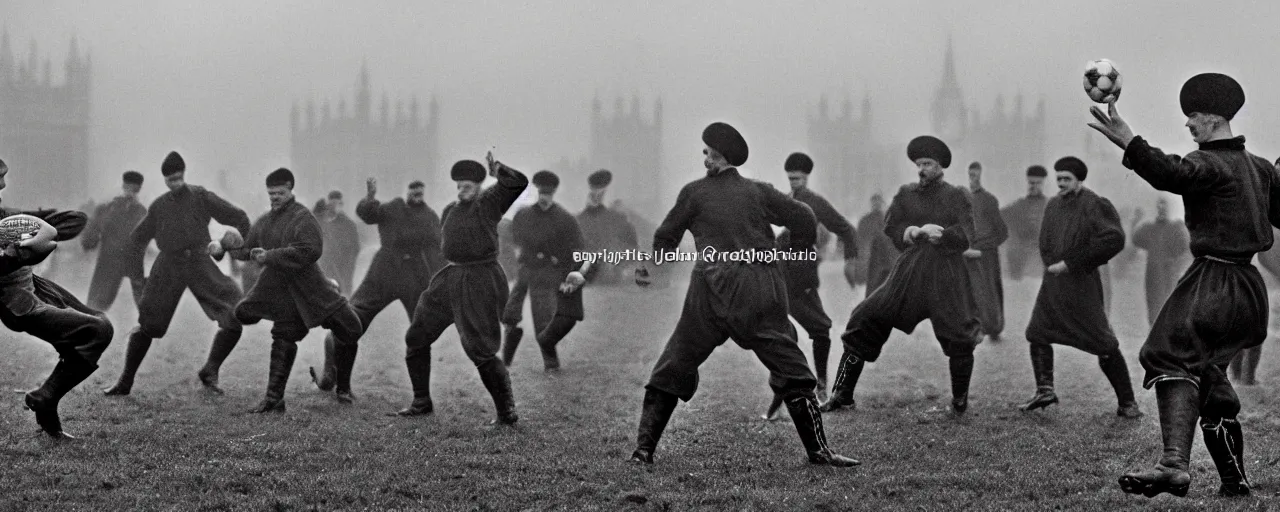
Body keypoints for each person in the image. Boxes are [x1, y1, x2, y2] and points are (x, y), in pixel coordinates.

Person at [628, 122, 857, 467]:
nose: (705, 158)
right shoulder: (758, 191)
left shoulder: (694, 193)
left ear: (717, 159)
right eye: (706, 152)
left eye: (708, 153)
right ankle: (819, 452)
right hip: (757, 288)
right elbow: (803, 216)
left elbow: (665, 236)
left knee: (675, 361)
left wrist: (657, 261)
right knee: (790, 365)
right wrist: (796, 252)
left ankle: (643, 451)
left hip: (710, 288)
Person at [1090, 72, 1274, 498]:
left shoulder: (1208, 163)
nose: (1188, 125)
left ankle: (1173, 466)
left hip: (1215, 281)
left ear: (1211, 119)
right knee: (1208, 377)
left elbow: (1170, 172)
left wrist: (1128, 140)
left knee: (1165, 354)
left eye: (1192, 117)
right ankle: (1234, 481)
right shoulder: (1260, 168)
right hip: (1249, 290)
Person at [821, 135, 979, 417]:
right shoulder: (906, 195)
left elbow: (967, 235)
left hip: (947, 276)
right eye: (919, 164)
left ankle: (959, 400)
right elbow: (891, 227)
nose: (922, 169)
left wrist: (940, 235)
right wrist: (912, 232)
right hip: (909, 273)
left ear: (940, 166)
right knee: (864, 317)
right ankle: (842, 394)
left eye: (927, 163)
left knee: (960, 334)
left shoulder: (957, 196)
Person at [102, 151, 250, 396]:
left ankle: (210, 370)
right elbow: (137, 240)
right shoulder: (159, 206)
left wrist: (230, 245)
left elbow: (239, 218)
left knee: (234, 312)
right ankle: (125, 381)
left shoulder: (201, 196)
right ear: (165, 180)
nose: (176, 184)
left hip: (199, 262)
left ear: (184, 175)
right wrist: (138, 278)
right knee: (148, 324)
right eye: (171, 180)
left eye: (179, 178)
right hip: (168, 266)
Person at [215, 168, 363, 412]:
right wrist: (224, 247)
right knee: (283, 336)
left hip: (312, 287)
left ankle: (343, 388)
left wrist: (271, 255)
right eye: (271, 194)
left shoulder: (302, 217)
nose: (275, 198)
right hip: (283, 292)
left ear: (290, 190)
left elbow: (311, 249)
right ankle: (274, 400)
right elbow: (248, 249)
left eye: (280, 193)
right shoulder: (265, 221)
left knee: (350, 327)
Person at [398, 155, 528, 422]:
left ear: (479, 186)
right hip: (450, 277)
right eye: (458, 185)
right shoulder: (449, 210)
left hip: (479, 278)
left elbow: (518, 183)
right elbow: (442, 247)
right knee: (416, 336)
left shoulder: (488, 203)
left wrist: (499, 170)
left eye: (467, 185)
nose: (461, 190)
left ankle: (506, 413)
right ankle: (421, 401)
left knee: (479, 348)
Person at [0, 158, 113, 438]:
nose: (3, 183)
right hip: (19, 303)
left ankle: (49, 413)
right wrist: (13, 258)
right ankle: (47, 395)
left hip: (36, 289)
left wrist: (45, 225)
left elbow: (71, 220)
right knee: (98, 330)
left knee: (93, 325)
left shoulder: (4, 216)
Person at [1019, 157, 1140, 418]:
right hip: (1053, 283)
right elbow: (1045, 241)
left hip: (1082, 283)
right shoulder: (1053, 205)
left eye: (1067, 179)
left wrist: (1072, 263)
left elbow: (1114, 239)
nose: (1061, 183)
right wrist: (1051, 263)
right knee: (1037, 332)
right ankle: (1045, 390)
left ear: (1079, 180)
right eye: (1059, 178)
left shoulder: (1095, 204)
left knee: (1103, 342)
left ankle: (1128, 403)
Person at [309, 179, 442, 402]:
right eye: (413, 191)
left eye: (420, 192)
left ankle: (422, 398)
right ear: (407, 191)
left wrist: (438, 280)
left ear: (424, 194)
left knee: (420, 332)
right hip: (384, 271)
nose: (416, 196)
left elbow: (437, 250)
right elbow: (367, 213)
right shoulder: (394, 207)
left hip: (414, 275)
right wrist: (369, 197)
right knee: (350, 322)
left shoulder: (430, 217)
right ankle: (340, 386)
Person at [763, 152, 858, 419]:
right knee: (787, 333)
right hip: (782, 276)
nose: (794, 183)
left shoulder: (815, 202)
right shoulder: (786, 200)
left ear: (807, 177)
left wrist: (850, 261)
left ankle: (820, 387)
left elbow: (846, 228)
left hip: (799, 279)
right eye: (790, 179)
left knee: (817, 330)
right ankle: (813, 389)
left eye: (798, 179)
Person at [499, 170, 588, 371]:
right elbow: (510, 239)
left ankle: (550, 360)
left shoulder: (565, 218)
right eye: (541, 193)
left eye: (547, 193)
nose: (543, 198)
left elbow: (577, 249)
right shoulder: (523, 214)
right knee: (510, 313)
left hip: (548, 272)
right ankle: (506, 360)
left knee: (543, 317)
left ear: (553, 193)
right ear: (536, 192)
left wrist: (566, 270)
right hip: (526, 269)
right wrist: (513, 264)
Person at [81, 171, 149, 313]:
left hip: (133, 263)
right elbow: (91, 235)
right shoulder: (108, 209)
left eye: (134, 188)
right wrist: (88, 242)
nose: (130, 191)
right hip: (109, 263)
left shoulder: (143, 213)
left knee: (146, 309)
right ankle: (88, 330)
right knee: (95, 307)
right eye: (128, 187)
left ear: (138, 190)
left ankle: (147, 330)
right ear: (123, 186)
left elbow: (154, 235)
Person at [964, 162, 1009, 341]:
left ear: (982, 176)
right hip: (968, 253)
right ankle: (975, 325)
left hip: (987, 255)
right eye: (970, 175)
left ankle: (993, 326)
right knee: (970, 290)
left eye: (976, 175)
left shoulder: (989, 200)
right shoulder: (964, 200)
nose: (973, 179)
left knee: (989, 290)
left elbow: (1002, 232)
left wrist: (984, 249)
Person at [1133, 197, 1190, 327]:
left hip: (1168, 274)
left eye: (1164, 207)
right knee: (1153, 307)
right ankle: (1155, 337)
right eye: (1159, 207)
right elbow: (1136, 239)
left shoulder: (1175, 228)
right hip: (1153, 274)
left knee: (1168, 306)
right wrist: (1136, 221)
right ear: (1157, 209)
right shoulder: (1150, 229)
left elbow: (1184, 246)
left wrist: (1183, 229)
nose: (1162, 210)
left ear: (1168, 210)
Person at [576, 169, 639, 286]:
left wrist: (620, 267)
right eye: (594, 192)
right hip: (588, 284)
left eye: (601, 193)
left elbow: (633, 248)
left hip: (613, 284)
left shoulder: (619, 220)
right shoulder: (578, 221)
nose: (597, 196)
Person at [1001, 166, 1050, 280]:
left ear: (1043, 184)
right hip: (1021, 266)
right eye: (1031, 183)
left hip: (1042, 265)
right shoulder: (1018, 206)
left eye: (1038, 183)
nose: (1034, 186)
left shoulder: (1051, 206)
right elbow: (999, 216)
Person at [315, 190, 361, 296]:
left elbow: (355, 248)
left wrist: (347, 267)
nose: (334, 207)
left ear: (341, 205)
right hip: (323, 268)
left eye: (337, 203)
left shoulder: (348, 225)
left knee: (342, 296)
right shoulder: (321, 222)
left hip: (342, 269)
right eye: (331, 204)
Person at [857, 193, 898, 297]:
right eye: (875, 203)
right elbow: (860, 241)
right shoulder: (866, 221)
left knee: (877, 287)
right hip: (875, 260)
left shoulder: (889, 219)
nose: (877, 205)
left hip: (883, 260)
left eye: (878, 203)